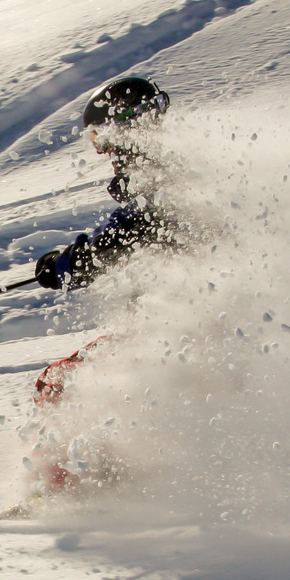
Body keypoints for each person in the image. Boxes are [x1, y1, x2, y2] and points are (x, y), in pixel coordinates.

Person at [19, 75, 180, 499]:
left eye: (99, 135)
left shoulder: (155, 172)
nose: (100, 148)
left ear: (122, 126)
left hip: (176, 330)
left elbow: (126, 234)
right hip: (181, 325)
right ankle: (113, 479)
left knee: (61, 384)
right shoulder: (175, 165)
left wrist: (69, 264)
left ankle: (72, 492)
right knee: (100, 387)